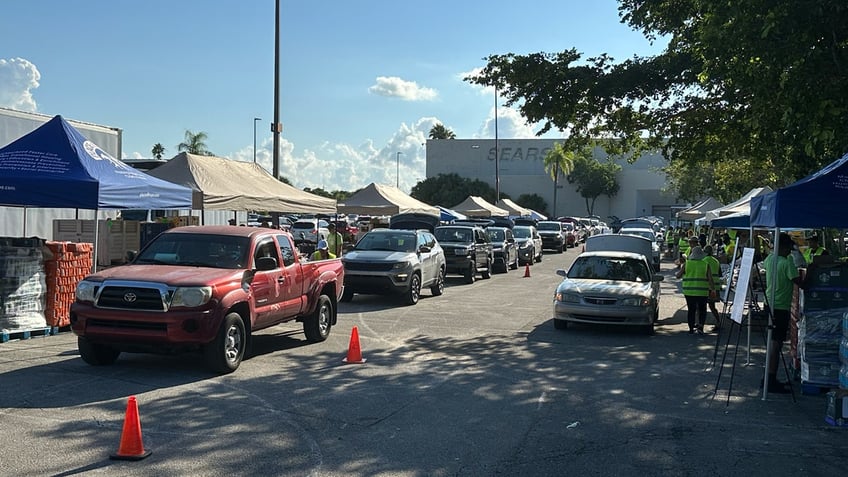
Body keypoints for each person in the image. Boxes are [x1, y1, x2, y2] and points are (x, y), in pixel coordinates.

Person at [761, 233, 803, 394]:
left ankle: (769, 377)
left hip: (769, 304)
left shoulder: (770, 259)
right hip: (780, 306)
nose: (790, 251)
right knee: (776, 344)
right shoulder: (787, 262)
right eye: (789, 248)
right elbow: (798, 282)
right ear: (784, 247)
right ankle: (771, 379)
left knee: (773, 342)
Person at [676, 236, 716, 334]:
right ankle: (701, 327)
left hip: (689, 291)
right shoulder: (705, 264)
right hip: (702, 292)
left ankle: (690, 328)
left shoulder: (687, 263)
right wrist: (713, 290)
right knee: (702, 309)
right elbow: (710, 279)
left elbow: (678, 276)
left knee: (691, 310)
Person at [703, 245, 724, 330]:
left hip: (706, 286)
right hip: (715, 286)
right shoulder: (716, 261)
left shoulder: (703, 261)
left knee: (701, 306)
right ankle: (718, 322)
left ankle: (700, 323)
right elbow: (720, 274)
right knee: (712, 306)